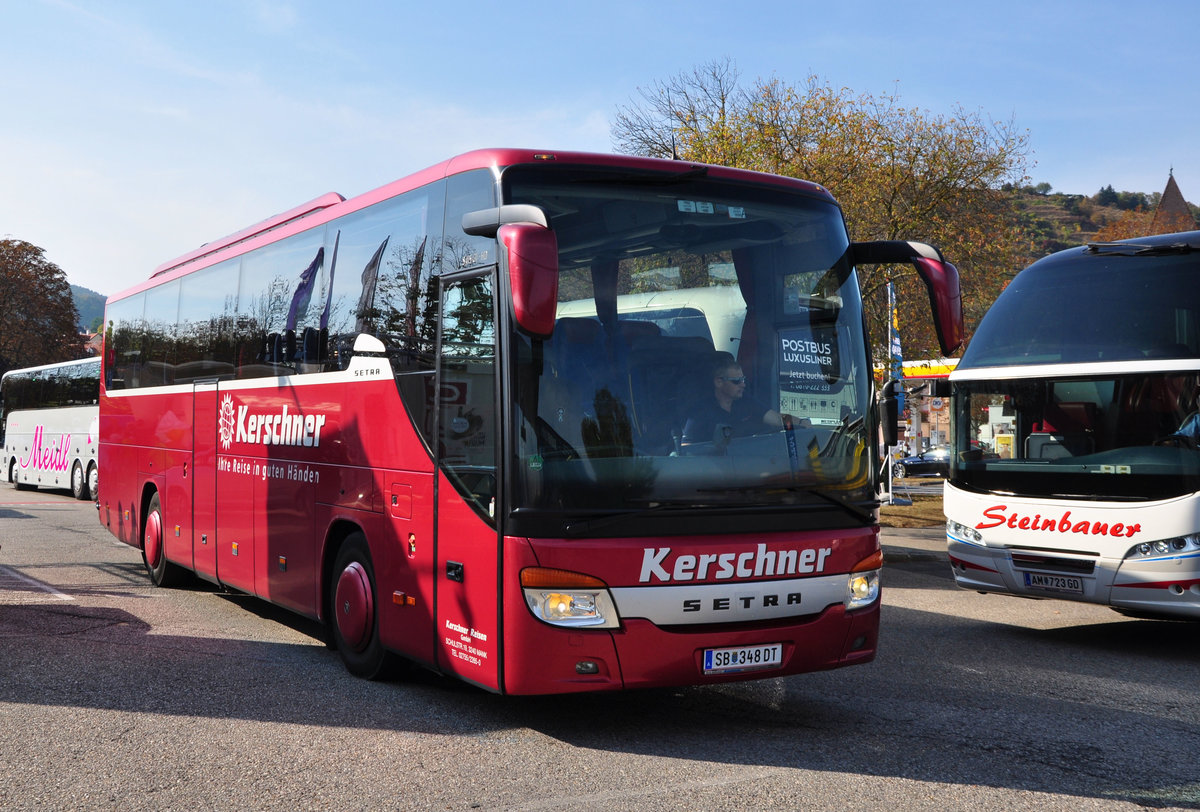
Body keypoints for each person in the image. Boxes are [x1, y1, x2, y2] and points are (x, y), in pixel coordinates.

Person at [682, 353, 793, 447]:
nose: (743, 385)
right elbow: (687, 452)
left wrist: (804, 424)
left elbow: (778, 419)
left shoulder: (746, 401)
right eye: (736, 381)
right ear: (719, 382)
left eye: (743, 379)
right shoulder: (699, 413)